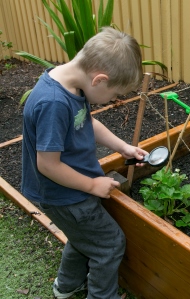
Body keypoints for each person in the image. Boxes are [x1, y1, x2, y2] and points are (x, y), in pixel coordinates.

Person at [21, 27, 148, 299]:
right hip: (65, 195)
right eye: (114, 94)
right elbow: (47, 165)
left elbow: (87, 122)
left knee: (82, 238)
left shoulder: (71, 83)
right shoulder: (54, 103)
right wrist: (91, 184)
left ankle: (66, 287)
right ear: (99, 80)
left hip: (71, 189)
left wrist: (122, 146)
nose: (114, 100)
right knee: (109, 244)